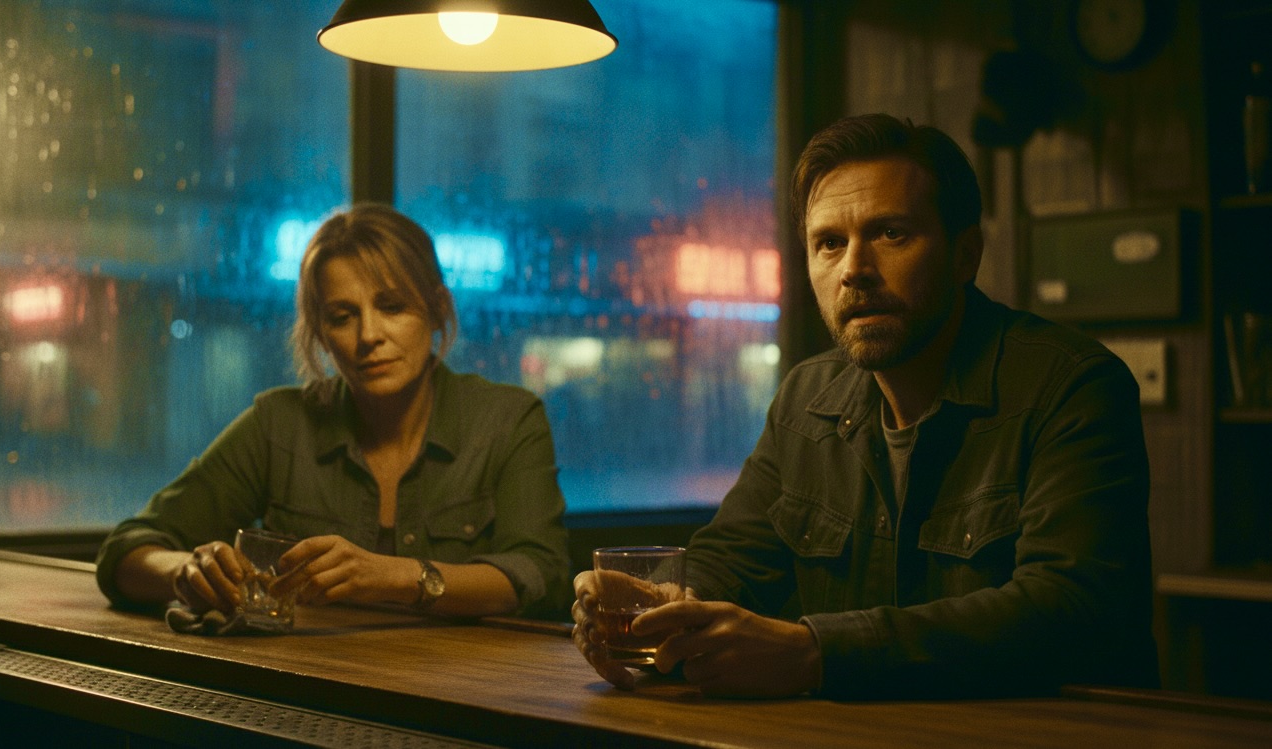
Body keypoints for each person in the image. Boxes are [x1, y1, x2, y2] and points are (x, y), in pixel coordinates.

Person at [572, 113, 1157, 699]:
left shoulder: (1070, 386)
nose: (853, 270)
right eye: (829, 243)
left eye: (891, 234)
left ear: (965, 255)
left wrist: (816, 653)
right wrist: (667, 606)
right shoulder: (807, 398)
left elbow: (1070, 608)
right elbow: (733, 556)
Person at [97, 203, 571, 622]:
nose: (369, 336)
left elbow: (542, 574)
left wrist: (396, 577)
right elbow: (125, 550)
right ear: (320, 333)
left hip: (467, 685)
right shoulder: (279, 425)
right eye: (342, 317)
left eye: (392, 307)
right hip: (310, 683)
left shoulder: (507, 420)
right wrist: (187, 571)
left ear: (437, 310)